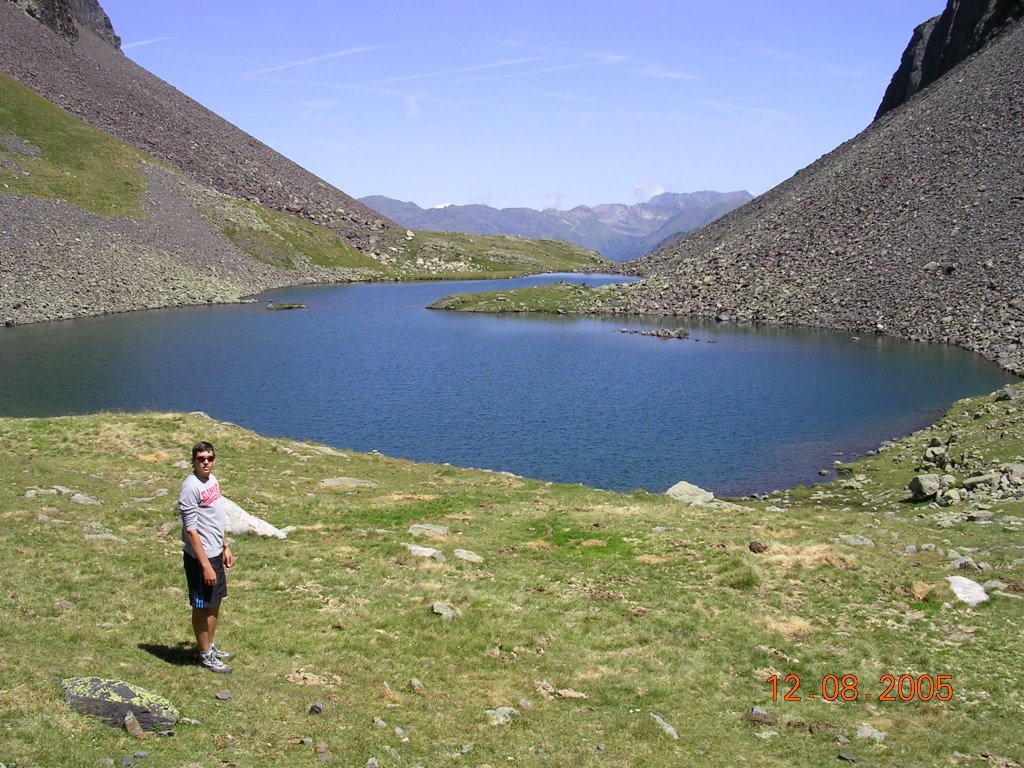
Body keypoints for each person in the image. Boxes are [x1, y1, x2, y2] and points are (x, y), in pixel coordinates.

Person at [179, 441, 235, 674]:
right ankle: (204, 655)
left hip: (215, 552)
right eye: (201, 458)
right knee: (202, 606)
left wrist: (225, 545)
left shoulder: (212, 481)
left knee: (215, 602)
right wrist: (205, 566)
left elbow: (216, 517)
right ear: (193, 461)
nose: (206, 462)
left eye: (210, 458)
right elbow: (191, 530)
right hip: (200, 558)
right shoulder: (190, 487)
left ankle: (209, 646)